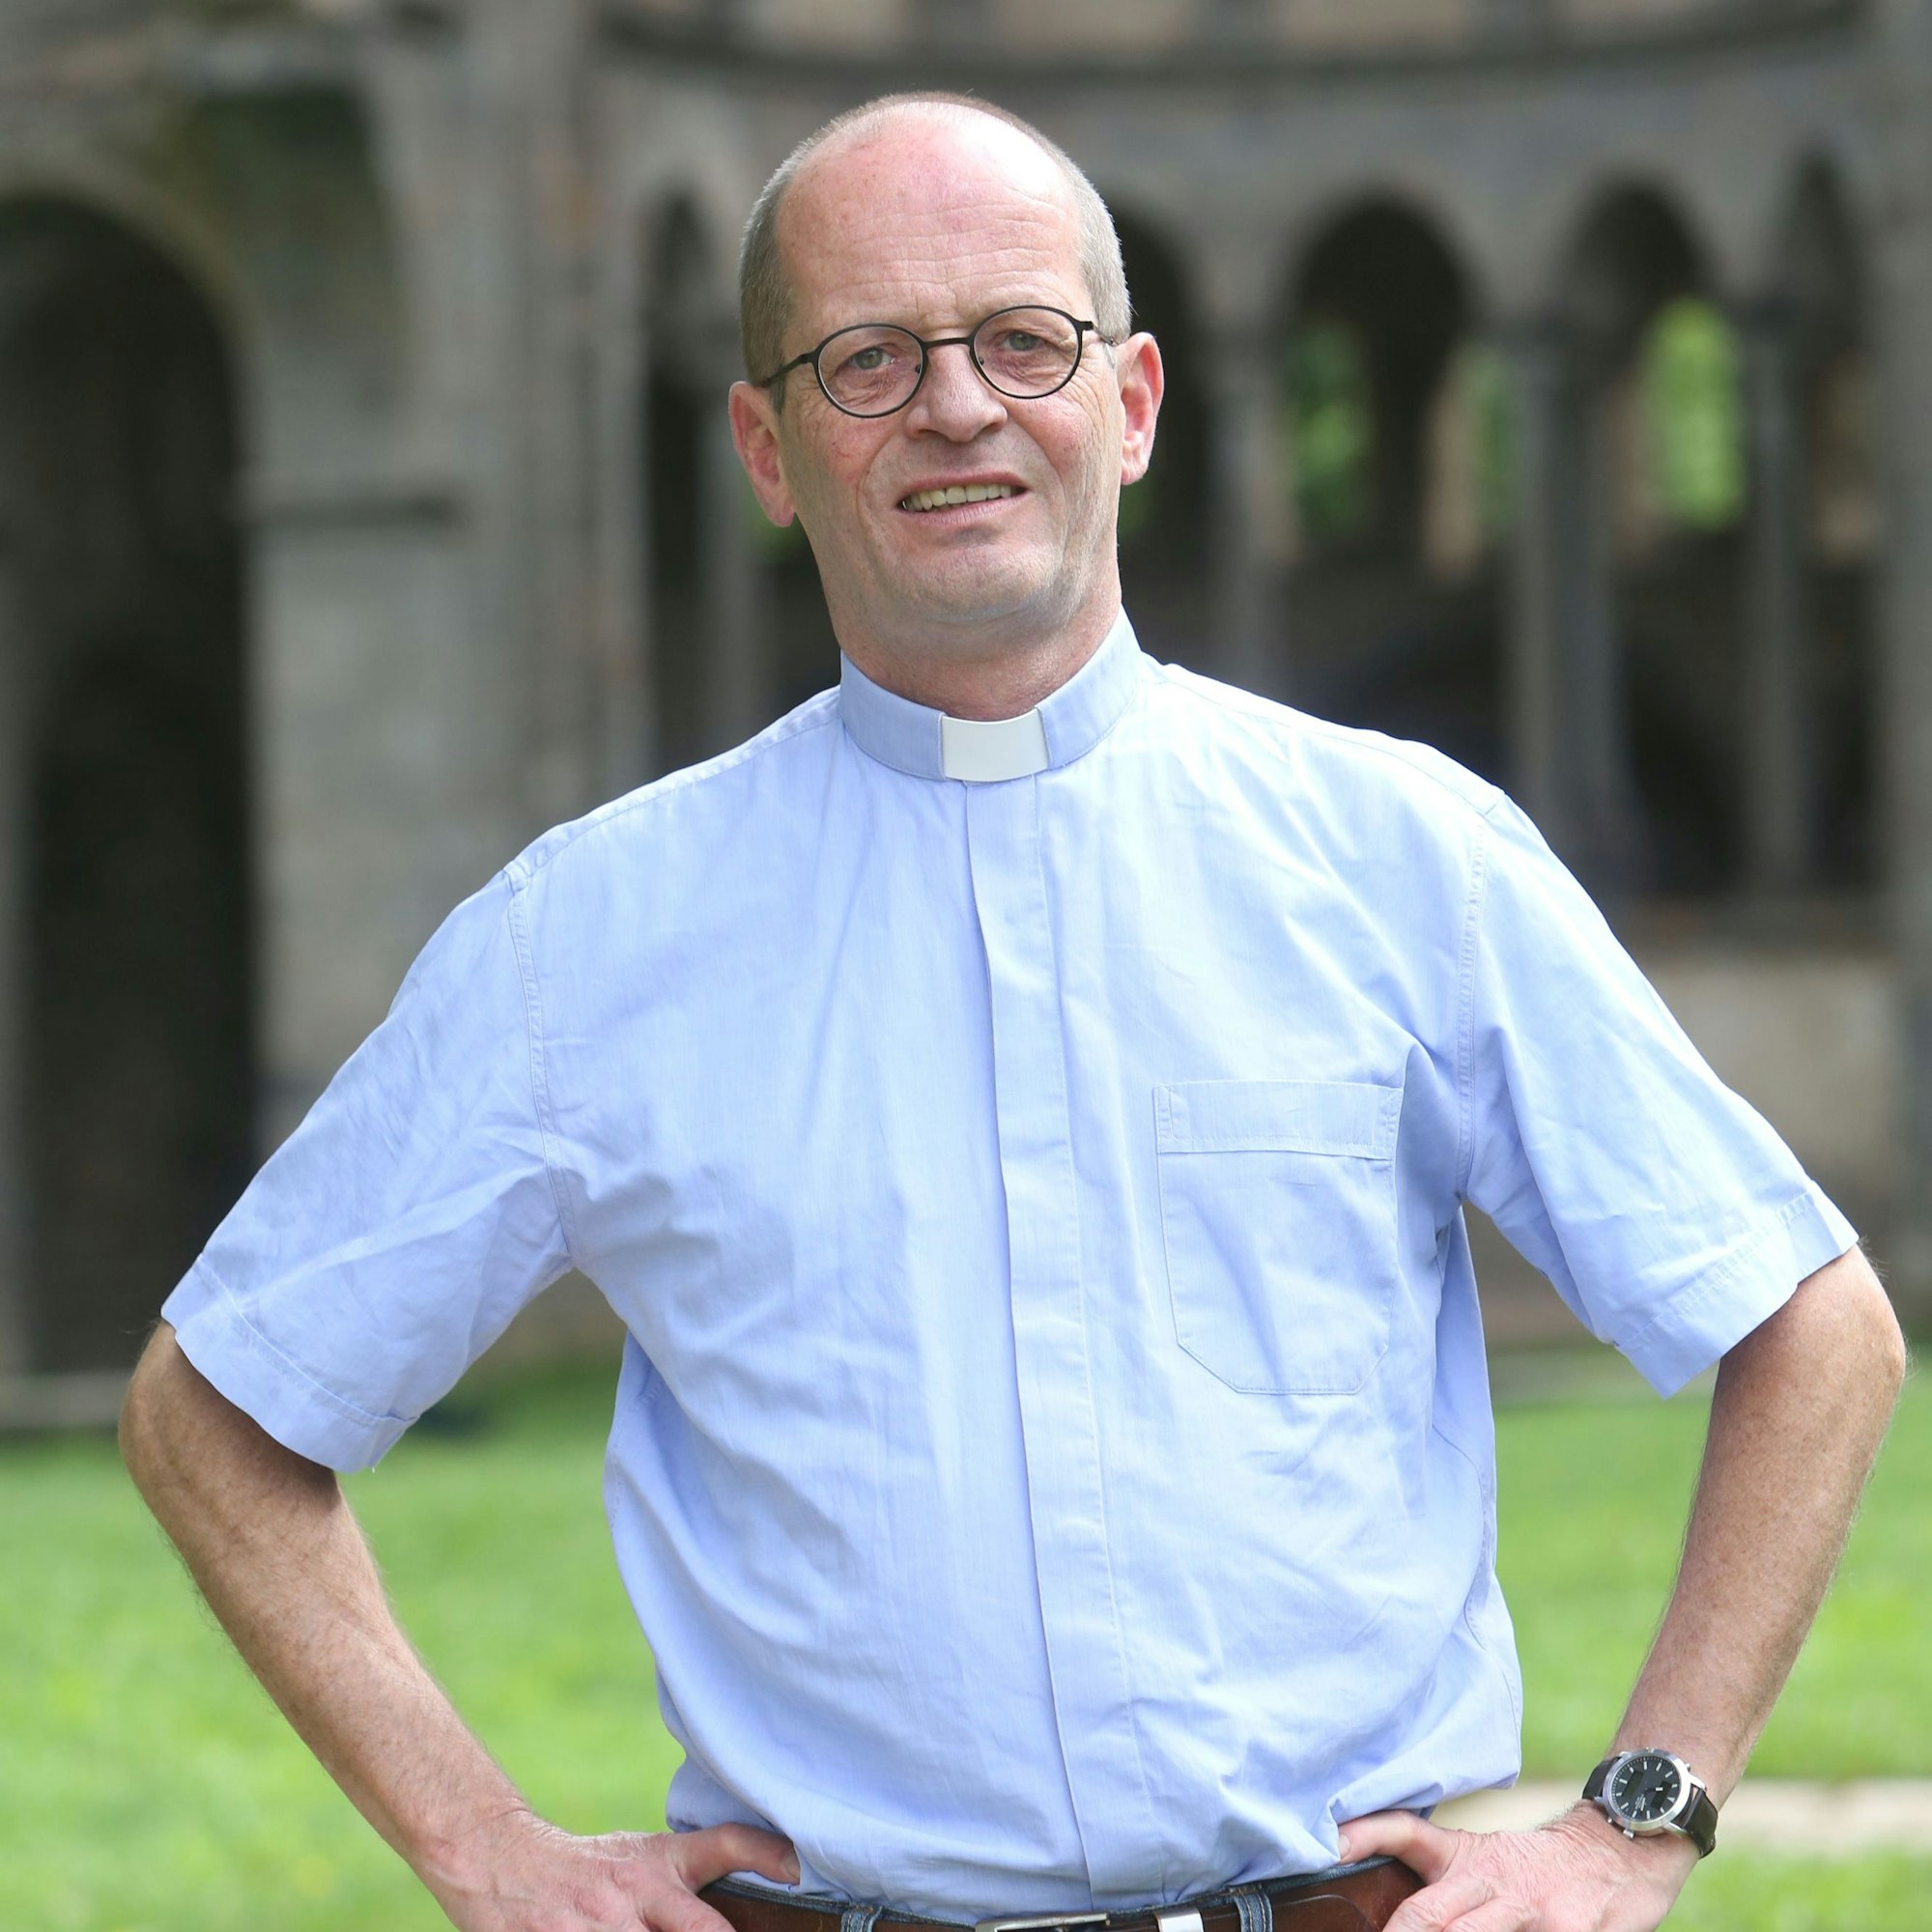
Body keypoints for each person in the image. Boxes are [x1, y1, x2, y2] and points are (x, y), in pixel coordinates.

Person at [120, 92, 1906, 1932]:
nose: (957, 405)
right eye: (867, 359)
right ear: (765, 445)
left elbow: (1814, 1327)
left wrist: (1638, 1818)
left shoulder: (1401, 858)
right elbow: (219, 1410)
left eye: (1021, 342)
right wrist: (477, 1844)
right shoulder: (588, 940)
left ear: (1129, 404)